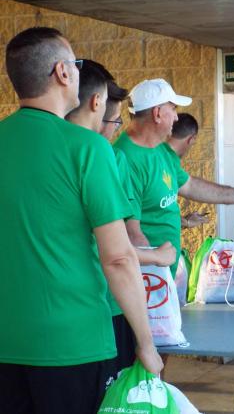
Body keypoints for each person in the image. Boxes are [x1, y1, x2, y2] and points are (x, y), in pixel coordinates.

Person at [0, 27, 161, 414]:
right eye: (73, 62)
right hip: (74, 344)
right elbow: (119, 258)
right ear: (62, 73)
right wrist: (146, 341)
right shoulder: (87, 148)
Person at [67, 59, 176, 373]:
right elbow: (116, 253)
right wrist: (146, 341)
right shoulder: (100, 154)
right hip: (97, 313)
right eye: (112, 121)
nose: (113, 131)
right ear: (95, 105)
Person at [113, 78, 234, 278]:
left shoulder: (160, 150)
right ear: (157, 114)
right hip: (148, 282)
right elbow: (131, 233)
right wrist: (156, 281)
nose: (176, 118)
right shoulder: (125, 158)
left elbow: (189, 185)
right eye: (173, 109)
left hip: (161, 278)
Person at [166, 113, 209, 230]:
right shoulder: (163, 161)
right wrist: (187, 222)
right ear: (191, 139)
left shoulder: (168, 160)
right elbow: (153, 215)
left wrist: (186, 221)